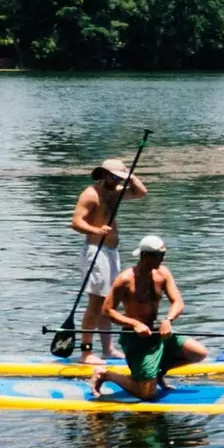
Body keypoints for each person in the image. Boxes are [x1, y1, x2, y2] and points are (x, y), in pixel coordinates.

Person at [90, 235, 207, 400]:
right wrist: (134, 324)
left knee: (198, 353)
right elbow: (107, 310)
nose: (163, 259)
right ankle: (105, 374)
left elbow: (178, 302)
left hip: (157, 331)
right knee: (148, 394)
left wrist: (168, 320)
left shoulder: (163, 273)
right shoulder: (125, 279)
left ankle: (156, 373)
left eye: (163, 255)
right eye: (159, 256)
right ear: (144, 256)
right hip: (135, 338)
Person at [70, 157, 147, 366]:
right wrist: (97, 230)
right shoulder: (90, 195)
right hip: (95, 251)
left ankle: (108, 349)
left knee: (109, 302)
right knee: (95, 303)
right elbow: (76, 222)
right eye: (113, 176)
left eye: (119, 177)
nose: (116, 181)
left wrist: (130, 176)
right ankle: (86, 352)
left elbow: (141, 192)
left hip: (111, 252)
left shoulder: (115, 193)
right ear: (103, 175)